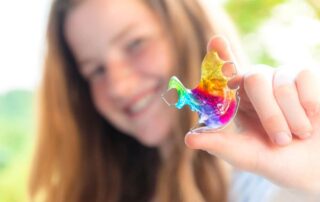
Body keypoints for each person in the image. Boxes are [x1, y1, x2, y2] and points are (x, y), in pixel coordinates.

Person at [29, 0, 320, 201]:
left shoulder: (258, 176)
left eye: (135, 44)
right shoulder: (97, 190)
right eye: (96, 70)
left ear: (188, 30)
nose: (119, 85)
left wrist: (311, 181)